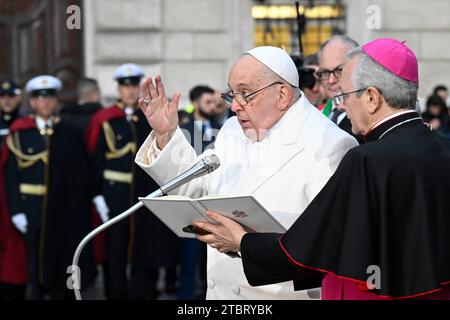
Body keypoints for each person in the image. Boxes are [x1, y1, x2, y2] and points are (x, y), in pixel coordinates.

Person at [194, 38, 450, 300]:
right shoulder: (443, 150)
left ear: (372, 98)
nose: (340, 105)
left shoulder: (364, 161)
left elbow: (312, 247)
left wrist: (242, 242)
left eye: (346, 95)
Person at [134, 46, 358, 300]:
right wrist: (166, 136)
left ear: (282, 94)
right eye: (232, 94)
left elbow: (326, 246)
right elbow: (198, 188)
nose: (234, 107)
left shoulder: (330, 144)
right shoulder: (232, 130)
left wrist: (243, 243)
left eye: (245, 94)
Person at [86, 63, 180, 299]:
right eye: (124, 86)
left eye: (133, 86)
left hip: (145, 193)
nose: (129, 91)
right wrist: (97, 195)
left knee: (146, 246)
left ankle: (145, 293)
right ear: (118, 89)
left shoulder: (148, 117)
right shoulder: (106, 118)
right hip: (114, 195)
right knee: (115, 251)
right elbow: (95, 159)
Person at [0, 75, 95, 299]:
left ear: (57, 101)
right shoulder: (20, 132)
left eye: (50, 98)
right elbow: (10, 177)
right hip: (30, 209)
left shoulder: (69, 132)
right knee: (31, 263)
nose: (46, 103)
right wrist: (16, 212)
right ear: (32, 102)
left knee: (60, 259)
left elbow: (80, 174)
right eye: (40, 99)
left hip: (61, 209)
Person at [178, 85, 222, 299]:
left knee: (212, 256)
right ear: (195, 103)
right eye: (208, 103)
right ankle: (186, 297)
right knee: (189, 255)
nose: (213, 107)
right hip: (191, 200)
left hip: (213, 201)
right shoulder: (184, 130)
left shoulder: (220, 127)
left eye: (215, 103)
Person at [316, 35, 363, 143]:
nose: (331, 80)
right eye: (325, 72)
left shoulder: (366, 116)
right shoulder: (316, 114)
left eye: (339, 70)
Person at [0, 80, 22, 148]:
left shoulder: (27, 121)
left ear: (18, 98)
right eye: (2, 96)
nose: (7, 101)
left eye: (11, 96)